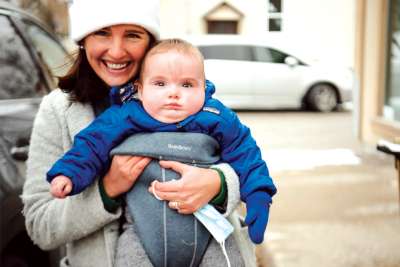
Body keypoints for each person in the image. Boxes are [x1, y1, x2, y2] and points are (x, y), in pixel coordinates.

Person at [21, 1, 256, 266]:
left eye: (132, 34)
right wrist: (107, 188)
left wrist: (219, 184)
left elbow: (247, 162)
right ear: (84, 39)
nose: (117, 51)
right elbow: (40, 225)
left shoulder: (183, 93)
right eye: (102, 32)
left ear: (150, 41)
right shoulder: (59, 111)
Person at [47, 38, 277, 245]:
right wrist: (70, 172)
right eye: (160, 84)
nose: (174, 93)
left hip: (208, 231)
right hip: (143, 232)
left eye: (187, 85)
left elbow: (246, 153)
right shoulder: (126, 114)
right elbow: (92, 143)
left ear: (203, 86)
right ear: (141, 89)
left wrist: (258, 194)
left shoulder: (216, 116)